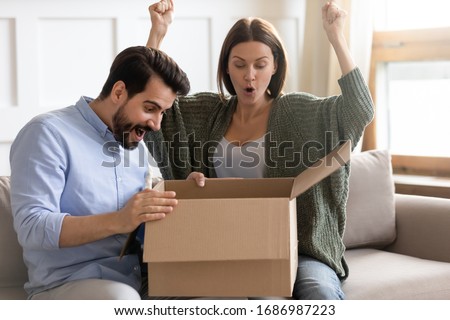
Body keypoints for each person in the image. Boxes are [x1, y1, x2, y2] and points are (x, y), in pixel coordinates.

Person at [145, 0, 374, 300]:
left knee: (320, 294)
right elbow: (148, 108)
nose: (249, 75)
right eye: (239, 64)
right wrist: (157, 35)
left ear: (275, 65)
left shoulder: (296, 110)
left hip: (300, 248)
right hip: (223, 246)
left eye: (260, 65)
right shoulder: (208, 113)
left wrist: (336, 37)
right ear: (227, 67)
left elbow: (359, 111)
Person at [9, 42, 205, 299]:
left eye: (163, 113)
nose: (156, 125)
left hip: (138, 279)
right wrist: (119, 220)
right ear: (119, 91)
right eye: (150, 108)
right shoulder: (48, 133)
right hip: (67, 283)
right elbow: (32, 226)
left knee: (224, 292)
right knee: (121, 300)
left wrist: (182, 198)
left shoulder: (132, 142)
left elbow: (139, 222)